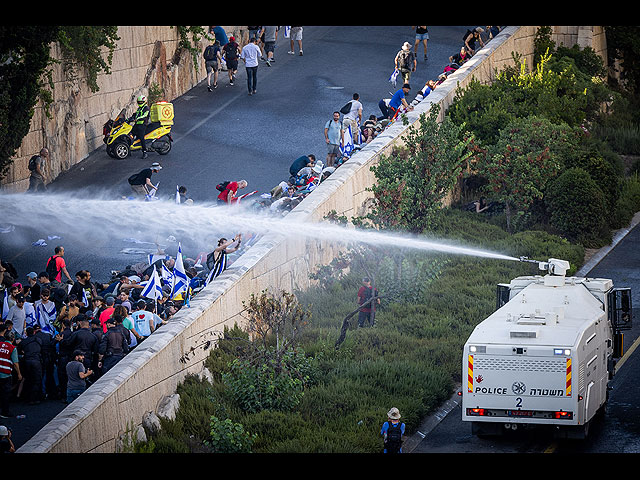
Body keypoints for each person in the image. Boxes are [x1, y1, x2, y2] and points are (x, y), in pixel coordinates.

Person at [0, 322, 22, 418]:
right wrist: (19, 374)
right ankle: (5, 412)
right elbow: (15, 363)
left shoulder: (0, 344)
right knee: (5, 393)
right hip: (6, 374)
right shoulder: (12, 348)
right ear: (13, 339)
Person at [18, 326, 44, 404]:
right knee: (37, 380)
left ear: (26, 333)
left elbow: (19, 350)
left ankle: (27, 398)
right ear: (34, 332)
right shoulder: (38, 340)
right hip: (36, 361)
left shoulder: (24, 342)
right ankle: (35, 398)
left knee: (28, 379)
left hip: (27, 361)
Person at [129, 95, 150, 159]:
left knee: (141, 137)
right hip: (137, 124)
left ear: (144, 102)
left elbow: (144, 116)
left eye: (141, 102)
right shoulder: (139, 109)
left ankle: (144, 152)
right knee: (130, 133)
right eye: (139, 102)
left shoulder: (146, 108)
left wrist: (137, 119)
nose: (140, 103)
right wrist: (129, 119)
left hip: (143, 125)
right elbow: (135, 115)